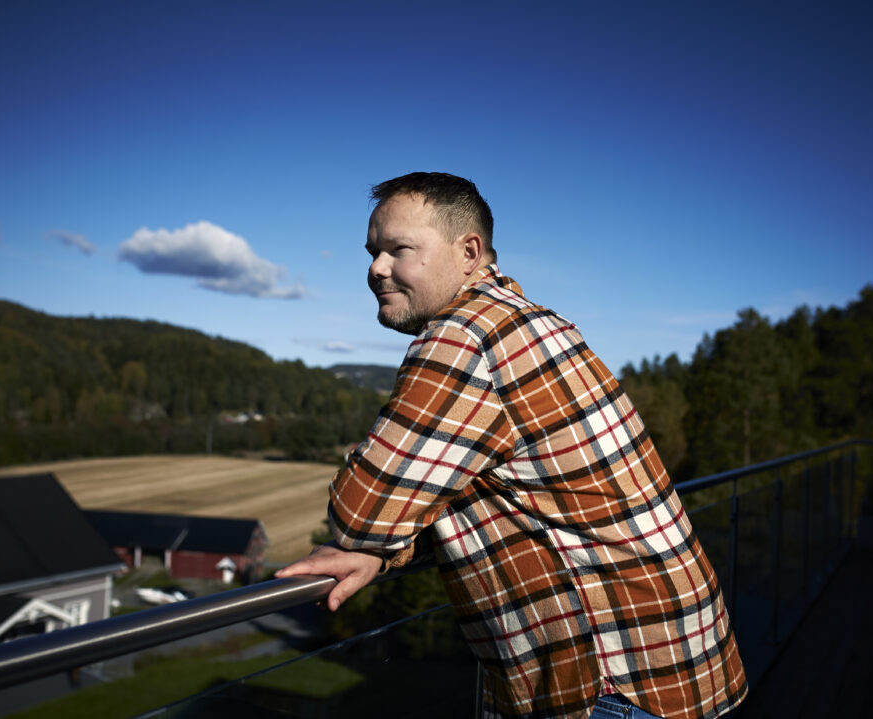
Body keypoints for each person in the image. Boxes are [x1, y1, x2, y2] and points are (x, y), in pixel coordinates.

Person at [277, 172, 747, 718]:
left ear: (469, 252)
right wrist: (387, 556)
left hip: (612, 680)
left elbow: (360, 515)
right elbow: (477, 495)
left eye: (397, 249)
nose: (376, 268)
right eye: (372, 251)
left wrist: (374, 546)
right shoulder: (529, 320)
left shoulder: (465, 335)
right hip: (670, 657)